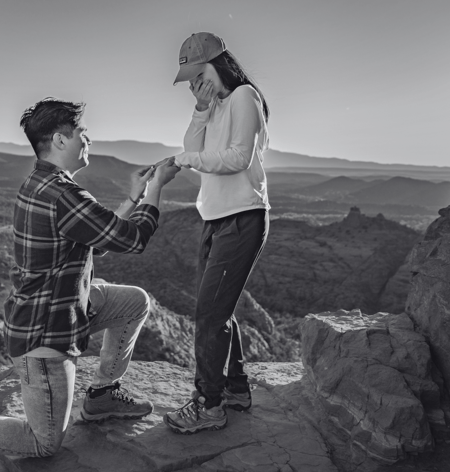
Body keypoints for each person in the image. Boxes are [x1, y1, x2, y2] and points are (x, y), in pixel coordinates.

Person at [0, 98, 181, 470]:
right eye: (82, 134)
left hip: (67, 309)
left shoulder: (44, 183)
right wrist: (156, 189)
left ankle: (103, 393)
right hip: (45, 337)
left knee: (134, 302)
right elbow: (132, 240)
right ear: (60, 140)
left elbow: (99, 239)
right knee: (43, 443)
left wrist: (134, 195)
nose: (88, 140)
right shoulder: (62, 194)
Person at [161, 32, 272, 435]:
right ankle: (237, 389)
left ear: (216, 64)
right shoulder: (217, 105)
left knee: (208, 315)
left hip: (243, 219)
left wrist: (181, 159)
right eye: (189, 78)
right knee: (217, 311)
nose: (193, 82)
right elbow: (193, 144)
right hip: (215, 220)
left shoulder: (244, 97)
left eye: (196, 73)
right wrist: (201, 109)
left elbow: (238, 158)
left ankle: (209, 406)